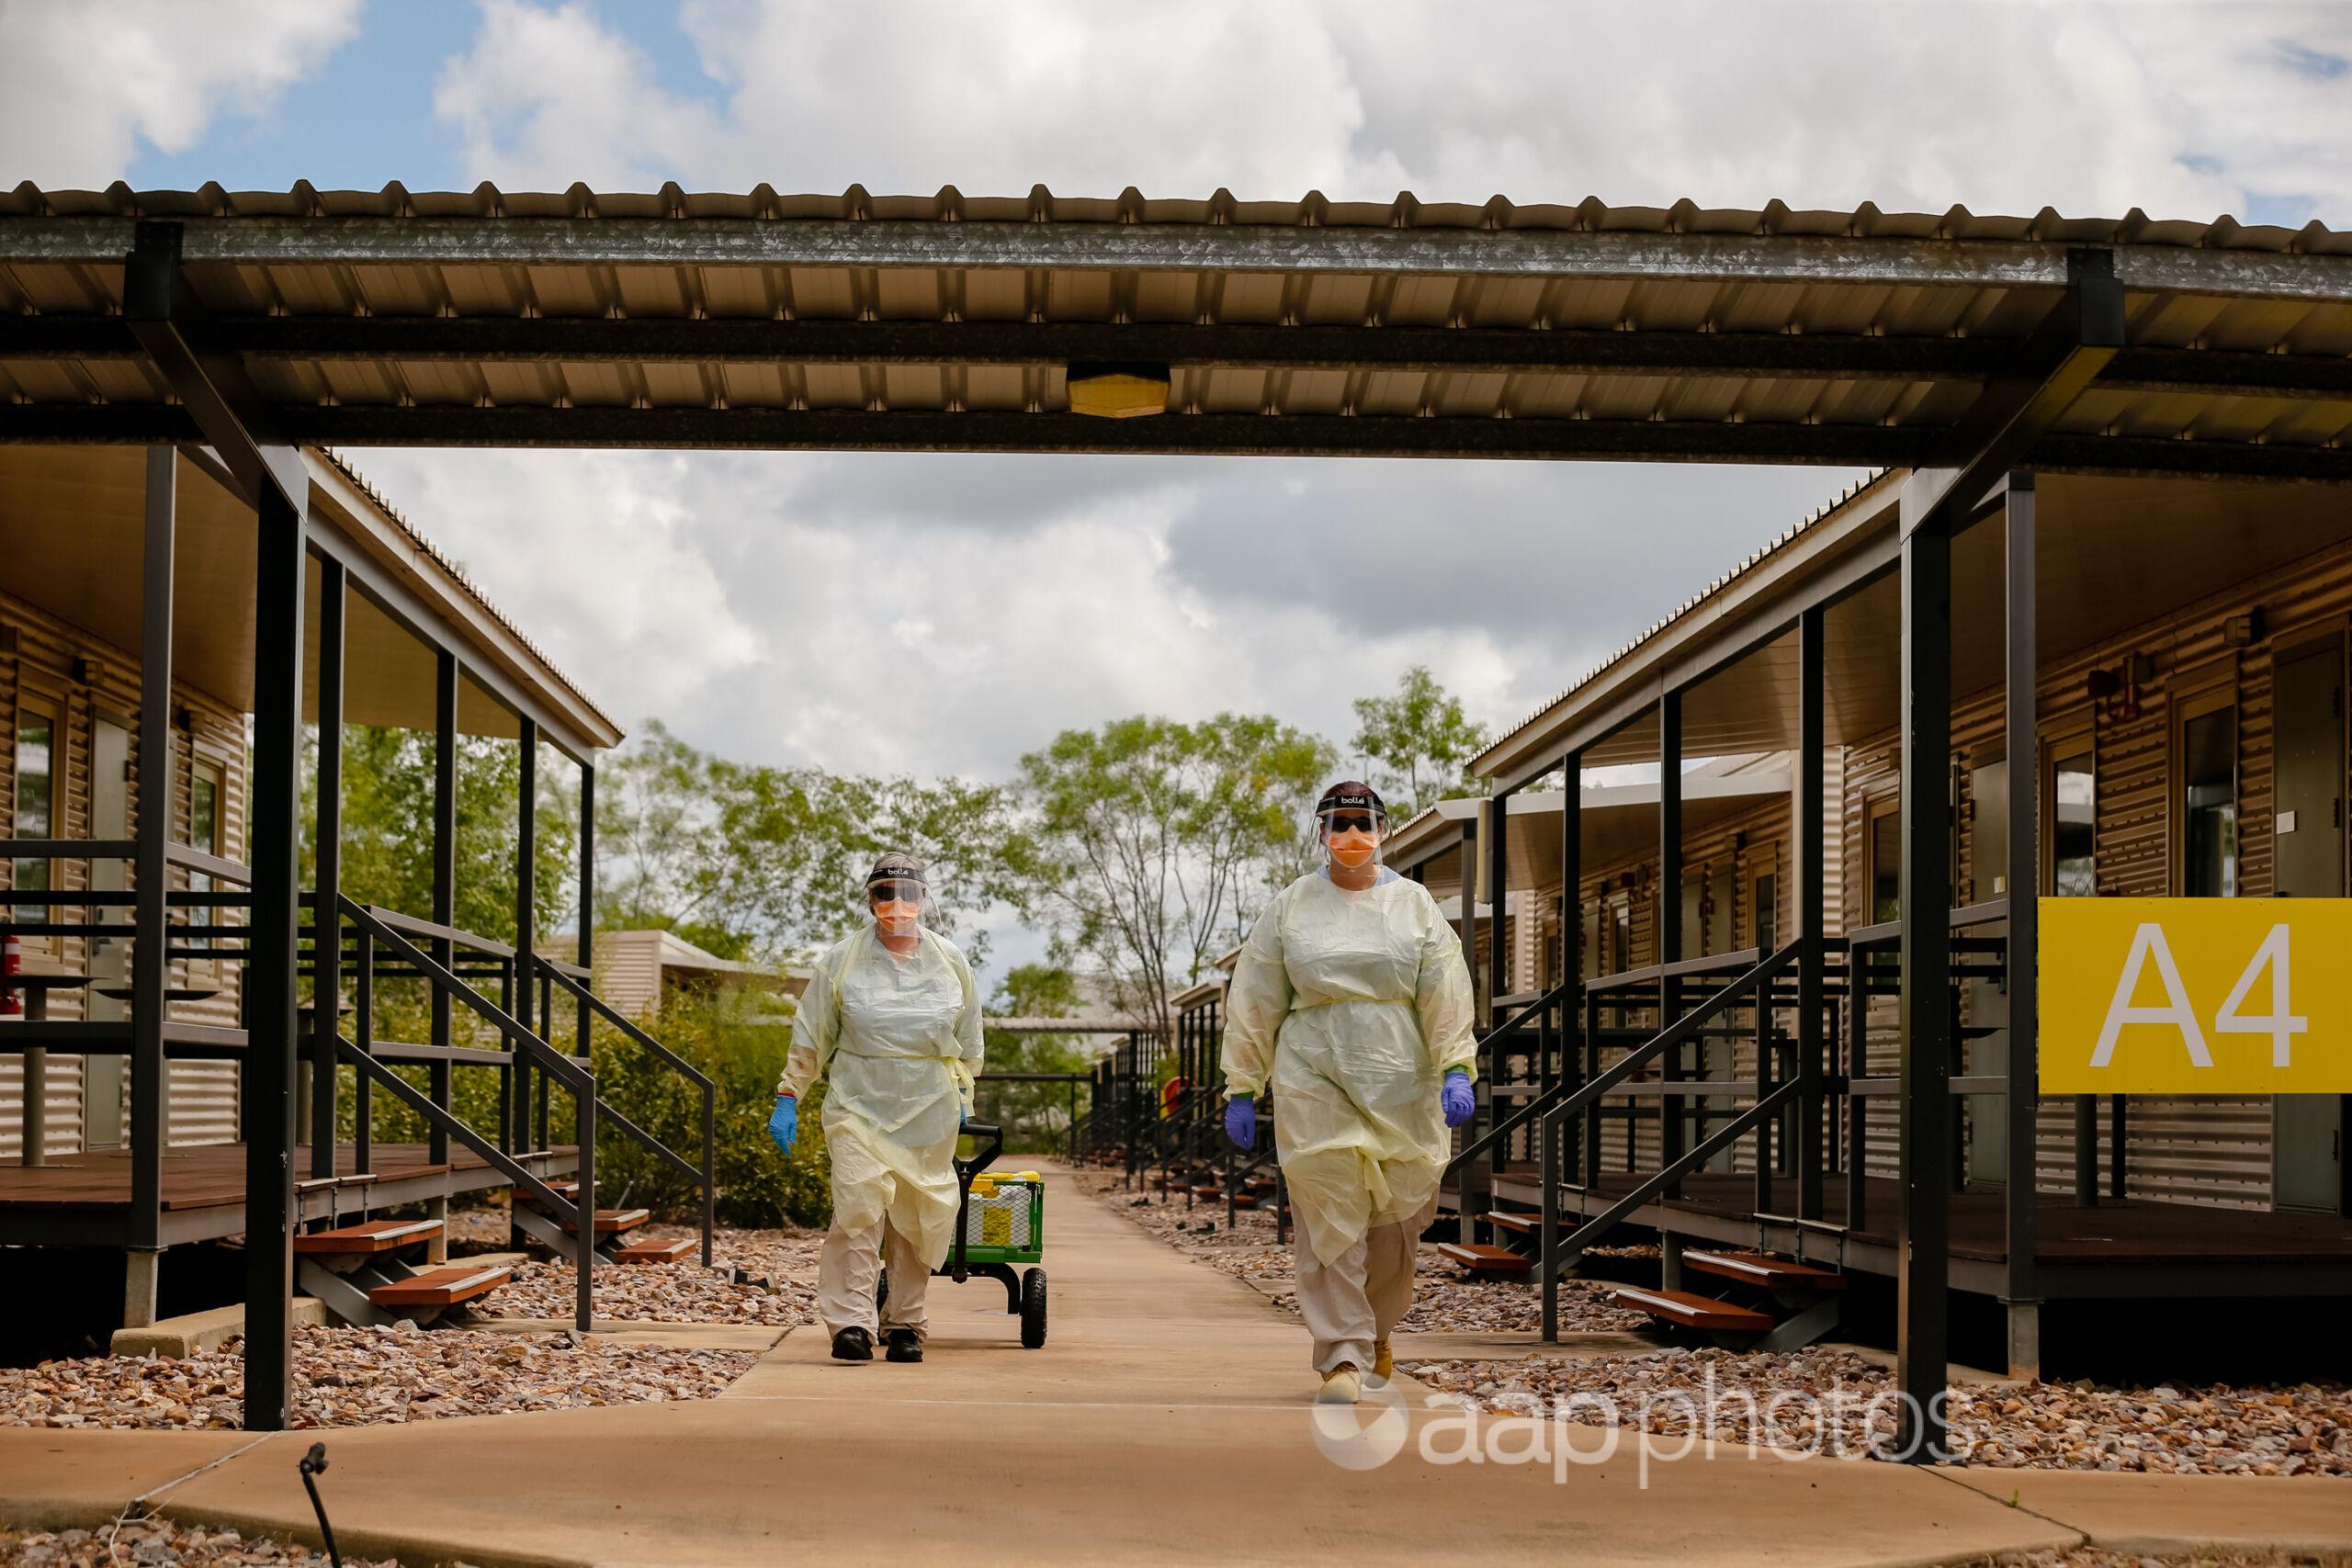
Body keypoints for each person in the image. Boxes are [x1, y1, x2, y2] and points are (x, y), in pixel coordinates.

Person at [1219, 782, 1477, 1404]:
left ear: (1384, 830)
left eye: (1364, 823)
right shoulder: (1290, 907)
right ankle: (1341, 1354)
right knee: (1328, 1211)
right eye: (1340, 822)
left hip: (1400, 1080)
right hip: (1316, 1076)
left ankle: (1376, 1330)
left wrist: (1456, 1068)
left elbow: (1445, 989)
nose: (1352, 835)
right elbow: (1255, 996)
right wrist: (1242, 1085)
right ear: (1321, 831)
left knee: (1396, 1223)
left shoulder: (1415, 906)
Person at [770, 852, 983, 1363]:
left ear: (923, 900)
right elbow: (811, 1034)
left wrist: (962, 1093)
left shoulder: (950, 961)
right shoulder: (840, 961)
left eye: (907, 894)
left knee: (917, 1216)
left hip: (928, 1106)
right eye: (885, 893)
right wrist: (788, 1095)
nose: (896, 904)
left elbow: (969, 1039)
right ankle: (851, 1324)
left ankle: (906, 1323)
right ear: (870, 900)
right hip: (857, 1103)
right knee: (857, 1209)